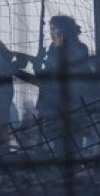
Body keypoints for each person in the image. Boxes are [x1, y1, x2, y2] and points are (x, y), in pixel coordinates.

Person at [34, 15, 94, 154]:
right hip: (55, 104)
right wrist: (38, 64)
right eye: (51, 29)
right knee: (59, 143)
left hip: (71, 103)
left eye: (54, 29)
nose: (51, 33)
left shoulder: (77, 49)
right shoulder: (55, 48)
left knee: (71, 143)